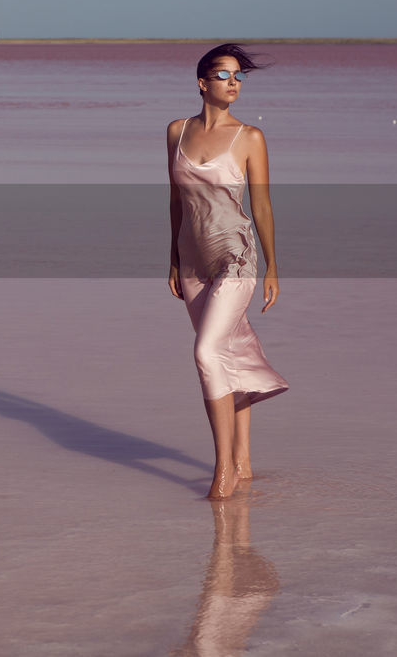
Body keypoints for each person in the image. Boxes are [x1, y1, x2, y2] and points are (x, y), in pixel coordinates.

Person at [167, 43, 289, 500]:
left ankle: (223, 472)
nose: (234, 82)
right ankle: (243, 461)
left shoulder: (250, 137)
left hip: (237, 258)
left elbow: (262, 204)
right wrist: (174, 259)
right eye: (224, 75)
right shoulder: (176, 132)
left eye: (238, 76)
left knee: (206, 352)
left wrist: (274, 265)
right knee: (229, 354)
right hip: (194, 261)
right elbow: (176, 200)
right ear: (202, 83)